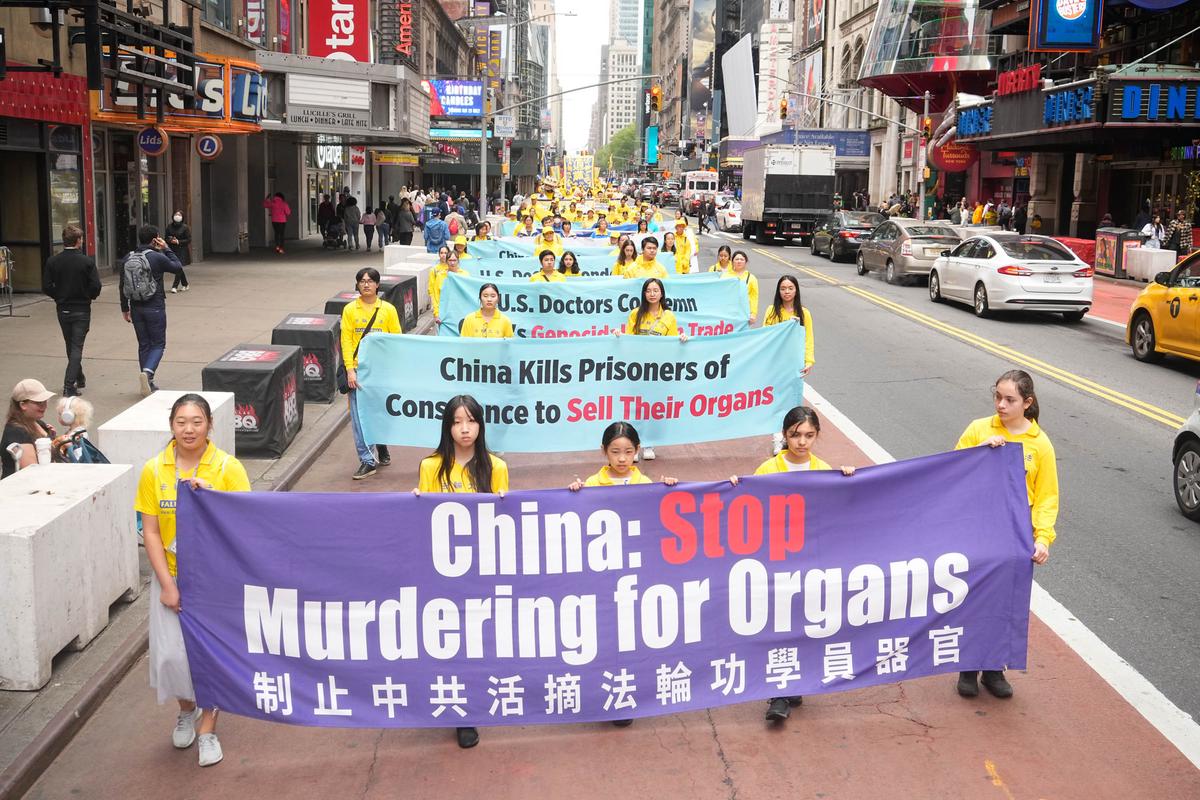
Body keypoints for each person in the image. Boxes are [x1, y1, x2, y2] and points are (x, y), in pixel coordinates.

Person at [137, 393, 251, 767]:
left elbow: (246, 522)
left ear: (209, 425)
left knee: (209, 657)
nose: (189, 429)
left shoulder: (227, 468)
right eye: (182, 421)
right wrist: (168, 585)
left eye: (197, 421)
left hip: (214, 579)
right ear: (172, 425)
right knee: (171, 657)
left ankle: (208, 727)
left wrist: (213, 498)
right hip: (170, 575)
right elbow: (150, 532)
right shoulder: (154, 470)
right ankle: (186, 709)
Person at [728, 405, 855, 721]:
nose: (802, 441)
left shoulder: (824, 469)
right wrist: (735, 487)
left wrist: (850, 481)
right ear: (784, 435)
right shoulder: (768, 470)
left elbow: (836, 512)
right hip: (778, 563)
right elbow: (749, 508)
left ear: (817, 436)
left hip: (811, 563)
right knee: (781, 626)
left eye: (809, 435)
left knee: (805, 624)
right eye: (795, 435)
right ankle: (778, 695)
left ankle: (794, 682)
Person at [412, 394, 509, 750]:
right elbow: (424, 524)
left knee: (480, 641)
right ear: (447, 426)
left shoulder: (496, 467)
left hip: (483, 571)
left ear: (481, 425)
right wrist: (414, 505)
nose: (464, 429)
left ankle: (477, 699)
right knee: (452, 642)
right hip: (444, 573)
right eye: (456, 421)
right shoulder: (430, 466)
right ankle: (461, 714)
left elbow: (505, 522)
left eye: (470, 421)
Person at [953, 369, 1056, 699]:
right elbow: (951, 471)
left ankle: (994, 669)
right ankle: (968, 666)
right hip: (979, 526)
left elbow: (1046, 496)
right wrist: (980, 451)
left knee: (1005, 600)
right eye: (997, 397)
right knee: (974, 595)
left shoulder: (1039, 444)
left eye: (1009, 399)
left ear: (1027, 403)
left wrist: (1043, 537)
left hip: (1015, 532)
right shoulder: (978, 429)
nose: (1000, 404)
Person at [615, 278, 689, 460]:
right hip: (638, 369)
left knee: (654, 407)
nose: (652, 294)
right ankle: (634, 446)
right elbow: (629, 339)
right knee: (636, 408)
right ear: (644, 294)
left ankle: (649, 445)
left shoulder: (669, 316)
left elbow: (672, 342)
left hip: (659, 370)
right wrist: (619, 336)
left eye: (656, 290)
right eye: (649, 290)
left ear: (662, 293)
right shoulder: (635, 314)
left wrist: (682, 339)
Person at [342, 268, 402, 480]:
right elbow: (346, 341)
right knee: (359, 418)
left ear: (378, 285)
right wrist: (350, 369)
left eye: (370, 281)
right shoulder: (350, 310)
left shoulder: (388, 310)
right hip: (358, 372)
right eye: (361, 281)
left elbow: (396, 341)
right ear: (357, 285)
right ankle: (367, 460)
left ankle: (381, 442)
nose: (366, 284)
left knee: (379, 413)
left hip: (382, 371)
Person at [119, 225, 184, 396]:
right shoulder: (156, 257)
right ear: (155, 238)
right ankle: (147, 373)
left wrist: (125, 308)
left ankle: (148, 382)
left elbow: (122, 285)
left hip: (136, 307)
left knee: (144, 344)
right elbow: (177, 267)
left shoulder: (128, 257)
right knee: (158, 344)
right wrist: (167, 248)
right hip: (154, 305)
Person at [42, 224, 101, 397]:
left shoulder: (53, 261)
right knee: (76, 346)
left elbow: (46, 286)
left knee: (71, 344)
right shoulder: (87, 262)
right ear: (78, 241)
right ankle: (69, 385)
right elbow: (95, 286)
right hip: (81, 309)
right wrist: (88, 296)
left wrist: (58, 296)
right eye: (81, 239)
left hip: (63, 308)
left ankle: (79, 377)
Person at [2, 379, 59, 478]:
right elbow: (32, 473)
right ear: (23, 405)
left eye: (45, 401)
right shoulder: (16, 432)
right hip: (21, 490)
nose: (44, 406)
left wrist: (58, 442)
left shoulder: (38, 423)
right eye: (39, 403)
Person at [431, 252, 469, 325]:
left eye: (454, 260)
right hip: (444, 313)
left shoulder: (465, 275)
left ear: (458, 261)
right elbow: (436, 296)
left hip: (460, 312)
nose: (452, 263)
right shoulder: (440, 276)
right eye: (450, 260)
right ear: (446, 261)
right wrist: (436, 313)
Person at [722, 250, 759, 324]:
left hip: (744, 313)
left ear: (746, 262)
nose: (739, 261)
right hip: (728, 312)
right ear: (732, 262)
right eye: (736, 259)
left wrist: (753, 314)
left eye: (742, 259)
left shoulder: (751, 278)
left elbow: (754, 297)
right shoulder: (725, 276)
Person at [165, 211, 191, 293]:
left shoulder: (185, 227)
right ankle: (185, 284)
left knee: (178, 266)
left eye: (179, 215)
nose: (177, 216)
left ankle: (174, 286)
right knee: (178, 267)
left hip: (182, 249)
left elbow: (188, 240)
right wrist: (170, 240)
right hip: (172, 249)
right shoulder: (169, 226)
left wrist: (178, 241)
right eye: (176, 214)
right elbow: (166, 237)